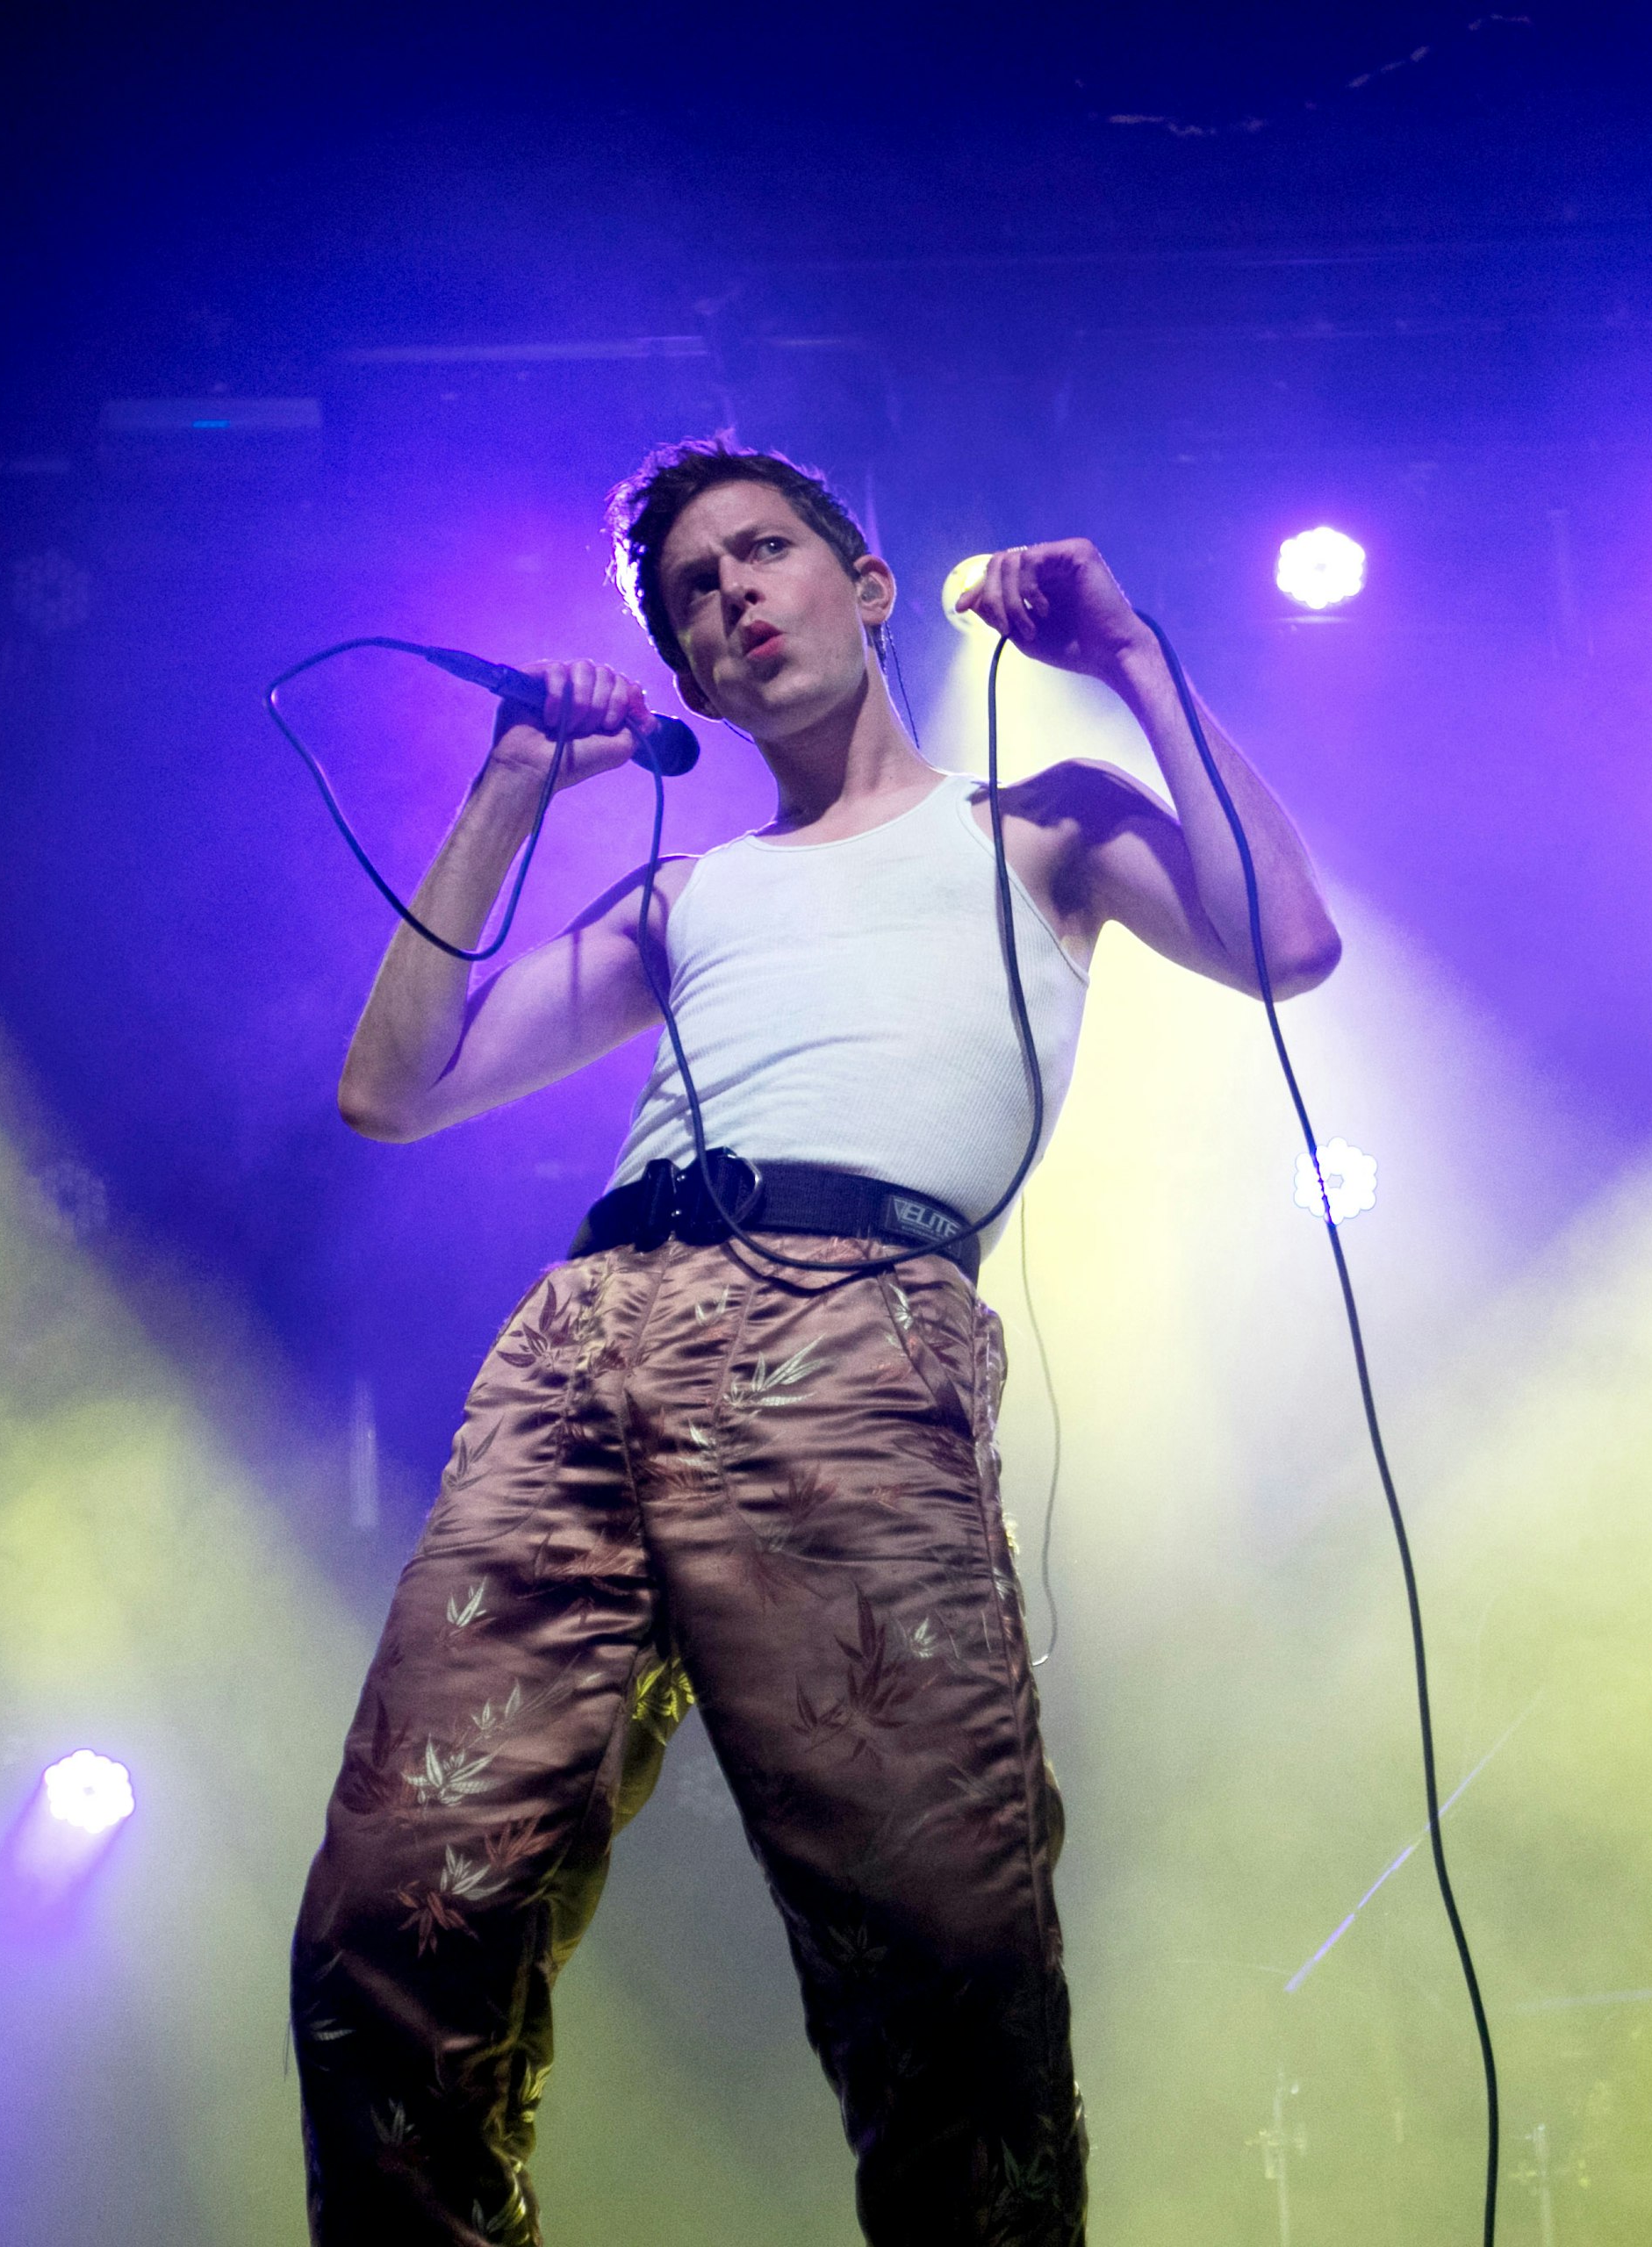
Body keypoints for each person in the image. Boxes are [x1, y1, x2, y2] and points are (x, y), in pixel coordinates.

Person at [290, 440, 1340, 2245]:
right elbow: (392, 1085)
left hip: (851, 1327)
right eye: (695, 593)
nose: (732, 597)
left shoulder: (1041, 819)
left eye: (763, 552)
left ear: (865, 584)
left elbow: (1287, 939)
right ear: (691, 678)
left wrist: (1139, 660)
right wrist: (519, 781)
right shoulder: (692, 895)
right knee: (390, 1921)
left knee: (941, 1942)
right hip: (583, 1344)